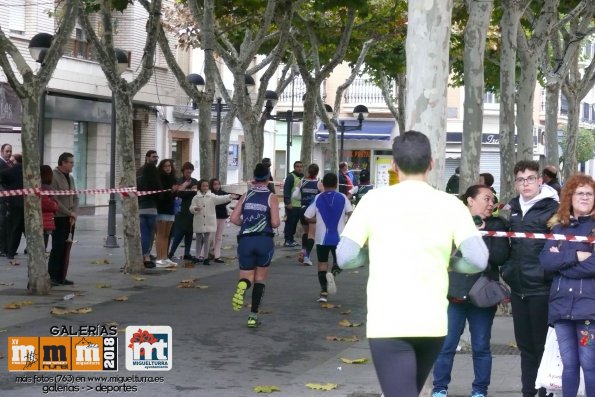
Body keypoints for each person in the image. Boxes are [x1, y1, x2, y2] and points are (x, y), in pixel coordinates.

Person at [336, 130, 488, 397]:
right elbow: (478, 259)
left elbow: (345, 257)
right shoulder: (451, 204)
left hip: (388, 322)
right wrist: (451, 263)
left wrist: (372, 254)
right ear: (431, 163)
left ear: (394, 165)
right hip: (433, 323)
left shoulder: (373, 200)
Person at [432, 185, 510, 397]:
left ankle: (480, 390)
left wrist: (479, 236)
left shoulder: (497, 225)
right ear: (470, 201)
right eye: (486, 199)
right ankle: (439, 388)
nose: (491, 204)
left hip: (482, 295)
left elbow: (500, 257)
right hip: (453, 292)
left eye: (492, 200)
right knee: (446, 345)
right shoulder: (452, 223)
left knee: (481, 346)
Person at [500, 160, 559, 397]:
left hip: (542, 289)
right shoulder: (513, 208)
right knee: (525, 349)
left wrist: (545, 274)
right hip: (518, 287)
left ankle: (545, 393)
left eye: (530, 178)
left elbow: (559, 245)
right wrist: (507, 270)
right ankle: (528, 393)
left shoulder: (553, 208)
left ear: (540, 180)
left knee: (542, 348)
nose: (526, 184)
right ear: (516, 183)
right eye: (521, 180)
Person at [539, 173, 595, 397]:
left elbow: (593, 266)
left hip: (588, 311)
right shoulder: (559, 228)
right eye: (579, 193)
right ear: (569, 197)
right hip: (561, 309)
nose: (584, 197)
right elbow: (546, 262)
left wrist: (561, 258)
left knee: (589, 364)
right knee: (569, 365)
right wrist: (576, 255)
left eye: (589, 194)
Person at [230, 163, 280, 328]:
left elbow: (234, 218)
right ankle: (253, 316)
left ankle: (242, 286)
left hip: (245, 240)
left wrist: (247, 223)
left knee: (246, 276)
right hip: (264, 240)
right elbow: (275, 222)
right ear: (268, 178)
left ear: (254, 177)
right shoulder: (271, 197)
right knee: (260, 279)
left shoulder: (246, 195)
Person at [304, 172, 352, 302]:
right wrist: (345, 222)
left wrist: (317, 221)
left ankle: (323, 293)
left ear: (323, 184)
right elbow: (351, 213)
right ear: (336, 184)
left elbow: (307, 216)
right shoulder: (343, 197)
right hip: (339, 237)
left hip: (321, 238)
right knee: (340, 262)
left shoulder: (318, 197)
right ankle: (334, 274)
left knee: (322, 264)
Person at [48, 152, 79, 285]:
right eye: (71, 162)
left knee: (67, 247)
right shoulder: (54, 176)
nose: (73, 164)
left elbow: (76, 196)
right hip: (59, 217)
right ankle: (53, 275)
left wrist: (74, 212)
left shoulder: (71, 178)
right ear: (63, 163)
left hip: (70, 218)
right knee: (58, 246)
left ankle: (62, 275)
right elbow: (54, 199)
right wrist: (68, 212)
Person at [189, 179, 236, 266]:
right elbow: (191, 207)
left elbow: (220, 198)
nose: (205, 187)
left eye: (206, 186)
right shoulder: (195, 197)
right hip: (199, 221)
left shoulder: (212, 196)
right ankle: (197, 256)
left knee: (207, 240)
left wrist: (229, 196)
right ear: (200, 187)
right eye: (203, 186)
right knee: (199, 239)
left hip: (209, 221)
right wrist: (194, 209)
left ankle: (206, 257)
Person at [154, 159, 184, 267]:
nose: (168, 168)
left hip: (171, 209)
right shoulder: (159, 179)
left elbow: (175, 195)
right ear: (161, 167)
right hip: (161, 209)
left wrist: (177, 191)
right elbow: (160, 196)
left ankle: (165, 257)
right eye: (165, 166)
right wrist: (171, 191)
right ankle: (159, 258)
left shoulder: (173, 179)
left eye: (169, 166)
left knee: (167, 235)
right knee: (160, 235)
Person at [168, 162, 199, 262]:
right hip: (181, 209)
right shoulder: (179, 181)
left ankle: (187, 253)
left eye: (190, 171)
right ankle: (171, 252)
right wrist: (186, 187)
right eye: (187, 171)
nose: (189, 173)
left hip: (192, 208)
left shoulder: (194, 181)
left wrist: (195, 190)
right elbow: (178, 194)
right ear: (183, 171)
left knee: (189, 232)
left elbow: (197, 194)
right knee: (179, 232)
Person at [0, 154, 24, 266]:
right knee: (24, 229)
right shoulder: (28, 171)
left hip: (14, 203)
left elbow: (3, 176)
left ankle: (11, 252)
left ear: (15, 161)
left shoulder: (11, 170)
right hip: (28, 203)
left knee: (15, 229)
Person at [137, 161, 161, 269]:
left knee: (144, 234)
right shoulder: (156, 181)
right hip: (152, 210)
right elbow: (160, 197)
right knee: (151, 234)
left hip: (141, 209)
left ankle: (144, 257)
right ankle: (147, 255)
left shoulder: (139, 180)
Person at [297, 163, 321, 266]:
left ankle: (303, 250)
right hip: (312, 211)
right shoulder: (319, 182)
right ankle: (306, 256)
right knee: (311, 234)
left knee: (305, 232)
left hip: (302, 209)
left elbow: (295, 195)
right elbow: (323, 195)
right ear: (317, 172)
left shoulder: (301, 181)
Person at [208, 178, 231, 263]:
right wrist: (222, 201)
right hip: (213, 217)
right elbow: (217, 202)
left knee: (219, 237)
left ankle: (217, 256)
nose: (217, 186)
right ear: (211, 185)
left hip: (222, 216)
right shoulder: (210, 194)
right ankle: (203, 255)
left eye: (218, 184)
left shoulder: (223, 193)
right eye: (215, 184)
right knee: (210, 236)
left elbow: (228, 199)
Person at [282, 160, 304, 247]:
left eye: (301, 166)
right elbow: (286, 190)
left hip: (299, 205)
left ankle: (291, 239)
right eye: (297, 166)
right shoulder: (291, 177)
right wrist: (288, 203)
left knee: (294, 223)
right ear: (294, 168)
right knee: (290, 223)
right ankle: (287, 240)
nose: (299, 168)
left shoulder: (302, 177)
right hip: (292, 205)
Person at [40, 165, 59, 250]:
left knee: (44, 240)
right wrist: (55, 205)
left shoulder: (45, 188)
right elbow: (47, 204)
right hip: (45, 219)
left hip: (45, 219)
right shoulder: (45, 188)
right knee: (43, 243)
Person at [0, 143, 12, 257]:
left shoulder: (10, 164)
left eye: (10, 151)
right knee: (2, 223)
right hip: (3, 198)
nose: (9, 153)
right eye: (7, 151)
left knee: (8, 223)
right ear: (1, 151)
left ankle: (8, 248)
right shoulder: (1, 164)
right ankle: (2, 249)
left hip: (9, 197)